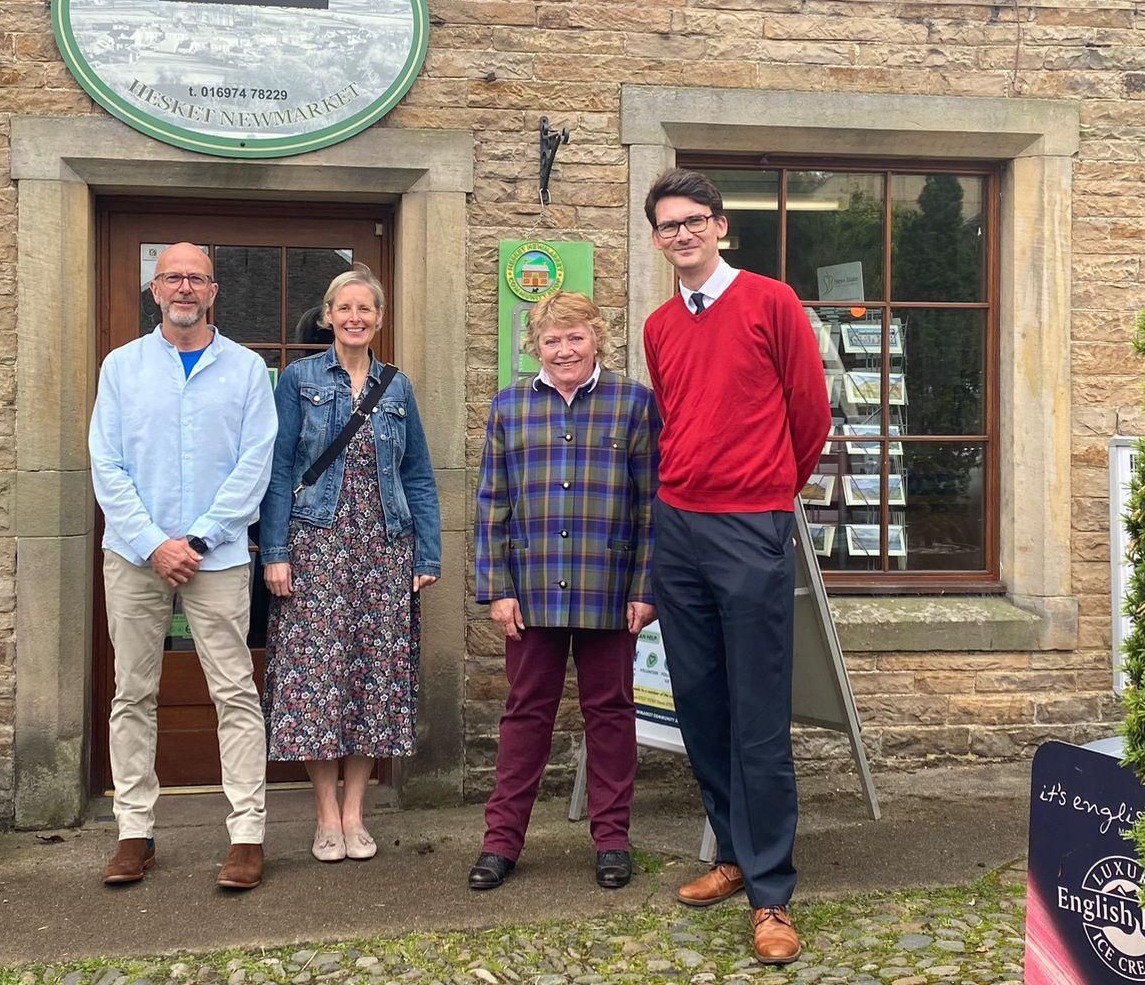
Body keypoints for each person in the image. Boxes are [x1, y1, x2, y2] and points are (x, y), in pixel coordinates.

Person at [640, 168, 831, 965]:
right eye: (667, 225)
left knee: (757, 716)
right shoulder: (658, 325)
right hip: (679, 526)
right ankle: (729, 854)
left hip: (749, 524)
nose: (682, 234)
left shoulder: (771, 301)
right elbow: (677, 419)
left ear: (720, 227)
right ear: (656, 238)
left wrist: (766, 494)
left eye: (694, 221)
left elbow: (810, 411)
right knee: (701, 706)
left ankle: (772, 893)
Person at [90, 242, 278, 892]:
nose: (185, 288)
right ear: (154, 288)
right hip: (135, 558)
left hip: (218, 557)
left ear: (214, 291)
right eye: (173, 276)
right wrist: (153, 542)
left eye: (196, 278)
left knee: (235, 694)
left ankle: (248, 835)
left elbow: (255, 464)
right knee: (132, 693)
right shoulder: (121, 368)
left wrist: (196, 539)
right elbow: (105, 465)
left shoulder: (248, 370)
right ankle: (134, 832)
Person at [467, 291, 660, 893]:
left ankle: (612, 840)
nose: (564, 350)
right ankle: (501, 843)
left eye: (575, 337)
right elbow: (491, 505)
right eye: (552, 340)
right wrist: (497, 589)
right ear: (536, 347)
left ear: (596, 337)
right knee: (526, 716)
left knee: (610, 714)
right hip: (532, 592)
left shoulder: (634, 405)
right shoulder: (508, 408)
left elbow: (653, 505)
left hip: (610, 590)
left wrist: (647, 588)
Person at [259, 268, 441, 864]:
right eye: (344, 308)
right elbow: (280, 469)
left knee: (373, 679)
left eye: (366, 308)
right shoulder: (299, 379)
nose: (355, 317)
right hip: (316, 545)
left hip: (385, 546)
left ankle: (357, 813)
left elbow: (417, 474)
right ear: (328, 315)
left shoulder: (398, 387)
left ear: (379, 319)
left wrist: (426, 551)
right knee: (318, 681)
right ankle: (325, 815)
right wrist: (276, 551)